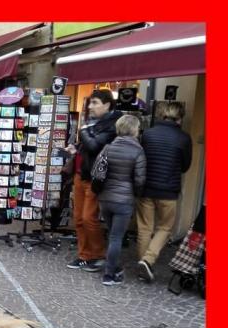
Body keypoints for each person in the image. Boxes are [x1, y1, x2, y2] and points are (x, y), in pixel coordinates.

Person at [65, 89, 123, 272]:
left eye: (95, 103)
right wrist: (76, 148)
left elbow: (94, 144)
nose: (90, 107)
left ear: (107, 104)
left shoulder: (114, 124)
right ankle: (84, 255)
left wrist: (83, 132)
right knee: (78, 218)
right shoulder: (93, 123)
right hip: (81, 173)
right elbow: (87, 146)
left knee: (89, 218)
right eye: (90, 103)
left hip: (95, 177)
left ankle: (98, 255)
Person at [136, 102, 193, 283]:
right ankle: (148, 259)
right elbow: (185, 166)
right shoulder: (184, 138)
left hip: (146, 188)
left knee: (145, 227)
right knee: (165, 228)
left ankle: (142, 264)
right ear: (180, 117)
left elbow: (141, 159)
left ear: (162, 115)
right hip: (169, 191)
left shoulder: (148, 134)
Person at [97, 115, 147, 286]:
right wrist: (136, 195)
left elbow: (97, 173)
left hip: (106, 198)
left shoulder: (107, 148)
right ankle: (109, 275)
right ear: (134, 129)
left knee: (113, 236)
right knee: (116, 237)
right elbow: (140, 180)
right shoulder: (138, 151)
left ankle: (115, 268)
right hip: (124, 200)